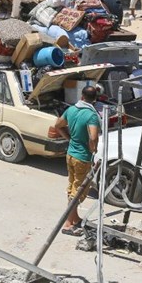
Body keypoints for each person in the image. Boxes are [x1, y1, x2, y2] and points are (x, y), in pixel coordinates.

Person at [52, 85, 101, 236]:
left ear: (82, 96)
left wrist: (69, 138)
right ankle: (67, 224)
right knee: (79, 191)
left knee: (73, 187)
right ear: (95, 100)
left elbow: (57, 125)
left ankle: (74, 218)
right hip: (82, 158)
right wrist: (93, 148)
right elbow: (93, 136)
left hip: (70, 155)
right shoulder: (91, 115)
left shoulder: (72, 110)